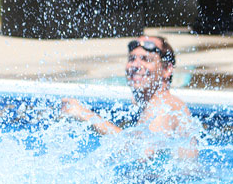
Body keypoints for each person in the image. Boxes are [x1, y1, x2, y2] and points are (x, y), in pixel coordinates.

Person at [62, 36, 199, 161]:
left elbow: (141, 153)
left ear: (167, 69)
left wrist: (85, 114)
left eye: (146, 60)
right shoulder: (158, 104)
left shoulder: (163, 106)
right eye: (132, 59)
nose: (135, 66)